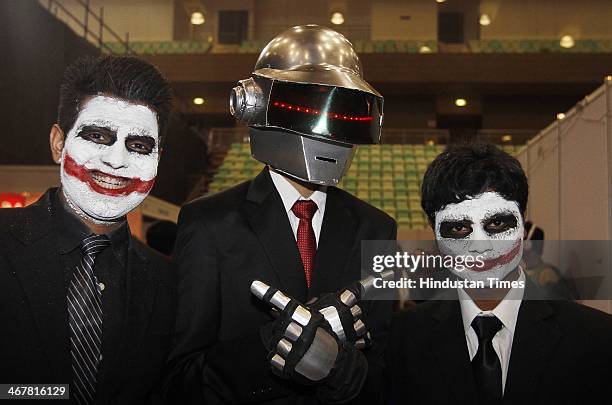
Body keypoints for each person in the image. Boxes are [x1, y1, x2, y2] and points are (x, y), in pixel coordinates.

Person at [164, 25, 396, 404]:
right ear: (255, 103)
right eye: (310, 106)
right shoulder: (209, 225)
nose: (328, 128)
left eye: (342, 111)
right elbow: (182, 380)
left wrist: (342, 368)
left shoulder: (376, 228)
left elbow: (383, 374)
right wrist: (271, 349)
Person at [0, 56, 176, 405]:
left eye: (139, 145)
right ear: (57, 143)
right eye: (98, 136)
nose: (116, 161)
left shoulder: (168, 281)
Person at [386, 143, 612, 404]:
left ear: (522, 221)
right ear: (434, 230)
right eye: (459, 227)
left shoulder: (596, 340)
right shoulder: (401, 342)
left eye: (496, 223)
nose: (481, 247)